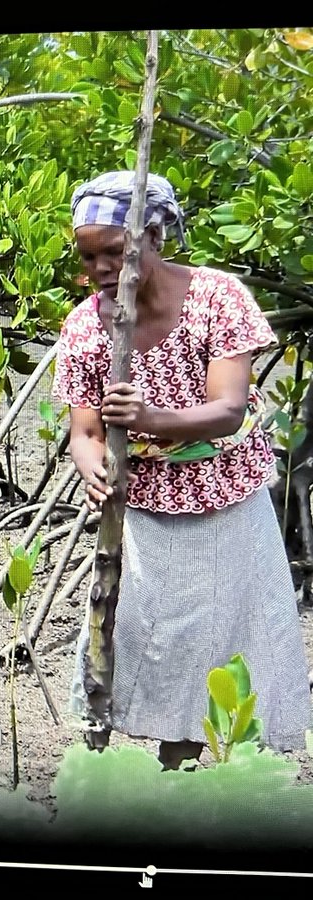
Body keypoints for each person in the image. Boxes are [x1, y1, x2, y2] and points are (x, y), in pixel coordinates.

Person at [54, 170, 311, 769]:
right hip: (143, 511)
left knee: (222, 647)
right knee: (143, 640)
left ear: (154, 238)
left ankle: (200, 774)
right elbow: (85, 432)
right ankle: (149, 767)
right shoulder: (86, 327)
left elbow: (225, 411)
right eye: (87, 255)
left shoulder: (218, 299)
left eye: (113, 252)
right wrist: (94, 469)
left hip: (228, 504)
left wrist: (149, 416)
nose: (98, 268)